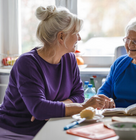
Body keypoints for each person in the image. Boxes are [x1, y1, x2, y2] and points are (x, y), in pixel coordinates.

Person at [0, 5, 113, 139]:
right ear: (61, 36)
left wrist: (49, 110)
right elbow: (40, 109)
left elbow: (78, 95)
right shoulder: (27, 63)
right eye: (76, 33)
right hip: (17, 132)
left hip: (50, 125)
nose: (79, 38)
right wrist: (82, 107)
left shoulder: (69, 59)